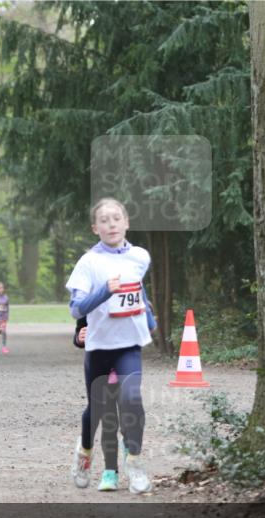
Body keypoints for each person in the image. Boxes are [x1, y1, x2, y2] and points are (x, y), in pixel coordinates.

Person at [66, 198, 153, 494]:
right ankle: (85, 454)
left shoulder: (140, 256)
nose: (111, 224)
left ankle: (136, 464)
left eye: (116, 218)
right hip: (99, 347)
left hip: (129, 344)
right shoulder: (89, 262)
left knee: (131, 399)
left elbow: (138, 292)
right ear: (95, 228)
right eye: (104, 220)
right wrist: (104, 291)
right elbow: (77, 309)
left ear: (127, 222)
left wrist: (150, 319)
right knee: (98, 408)